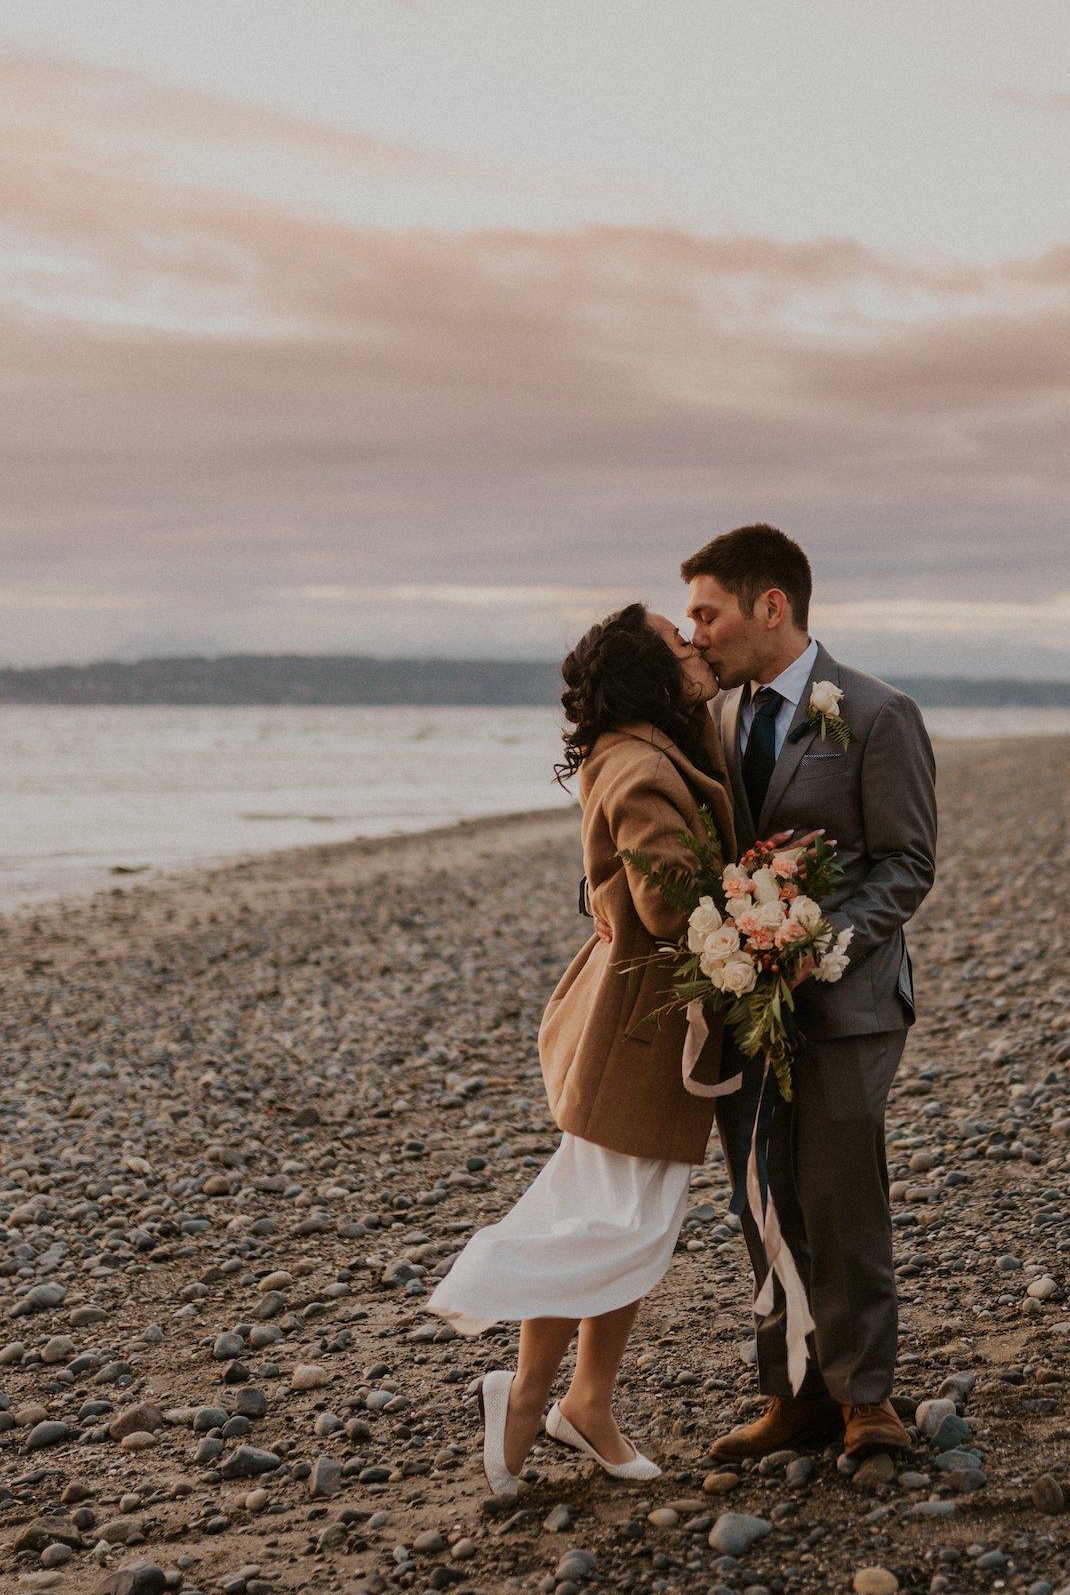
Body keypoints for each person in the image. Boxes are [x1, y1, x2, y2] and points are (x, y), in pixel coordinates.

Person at [425, 603, 737, 1498]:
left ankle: (587, 1402)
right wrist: (768, 902)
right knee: (603, 1223)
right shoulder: (639, 762)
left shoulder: (653, 741)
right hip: (636, 1034)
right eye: (679, 642)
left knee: (628, 1224)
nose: (694, 643)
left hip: (641, 1024)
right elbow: (671, 902)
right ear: (651, 672)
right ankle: (523, 1394)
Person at [680, 524, 939, 1465]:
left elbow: (908, 864)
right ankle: (791, 1394)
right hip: (742, 996)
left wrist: (817, 944)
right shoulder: (710, 723)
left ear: (771, 606)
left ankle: (866, 1399)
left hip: (848, 1000)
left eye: (707, 612)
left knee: (840, 1194)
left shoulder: (874, 713)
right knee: (763, 1195)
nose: (695, 632)